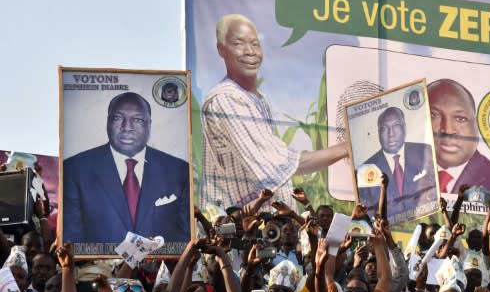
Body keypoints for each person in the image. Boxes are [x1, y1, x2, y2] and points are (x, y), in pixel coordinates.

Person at [201, 14, 347, 208]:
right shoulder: (226, 99)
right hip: (243, 230)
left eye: (254, 44)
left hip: (271, 228)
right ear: (221, 49)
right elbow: (280, 164)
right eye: (238, 43)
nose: (249, 51)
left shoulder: (258, 99)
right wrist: (347, 148)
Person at [63, 91, 190, 244]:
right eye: (118, 118)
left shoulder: (179, 171)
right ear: (107, 122)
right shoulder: (75, 169)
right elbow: (72, 238)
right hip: (97, 267)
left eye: (137, 119)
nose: (127, 127)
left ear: (149, 124)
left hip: (162, 267)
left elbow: (184, 236)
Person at [357, 107, 437, 221]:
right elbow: (367, 213)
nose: (391, 134)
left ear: (404, 127)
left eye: (396, 125)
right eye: (384, 128)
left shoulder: (425, 152)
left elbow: (434, 194)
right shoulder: (365, 169)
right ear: (378, 132)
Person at [426, 79, 490, 194]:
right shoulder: (400, 172)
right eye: (434, 115)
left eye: (460, 119)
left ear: (476, 125)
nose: (448, 130)